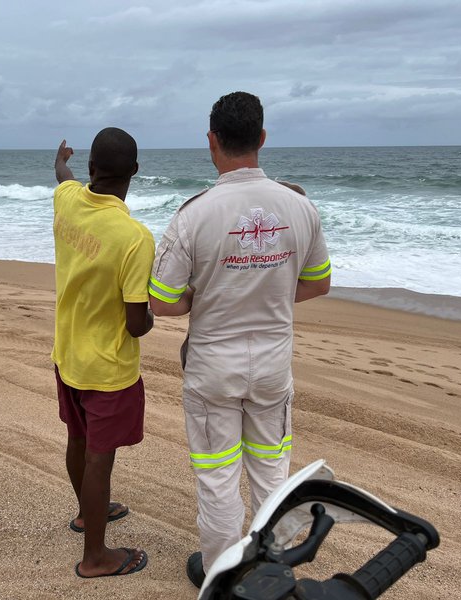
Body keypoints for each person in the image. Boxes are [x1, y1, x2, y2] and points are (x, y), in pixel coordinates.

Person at [148, 92, 331, 587]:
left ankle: (222, 578)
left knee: (217, 478)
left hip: (213, 367)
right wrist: (268, 290)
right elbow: (318, 283)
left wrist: (211, 296)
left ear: (212, 141)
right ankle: (272, 573)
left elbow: (162, 301)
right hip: (272, 363)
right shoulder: (299, 207)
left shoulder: (194, 215)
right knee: (272, 472)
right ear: (262, 138)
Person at [51, 128, 155, 578]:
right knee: (100, 458)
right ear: (135, 171)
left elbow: (62, 175)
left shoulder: (67, 201)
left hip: (68, 354)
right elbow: (135, 323)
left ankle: (85, 513)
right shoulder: (134, 237)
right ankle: (95, 557)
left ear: (92, 168)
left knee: (78, 440)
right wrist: (152, 318)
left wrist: (61, 158)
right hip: (108, 369)